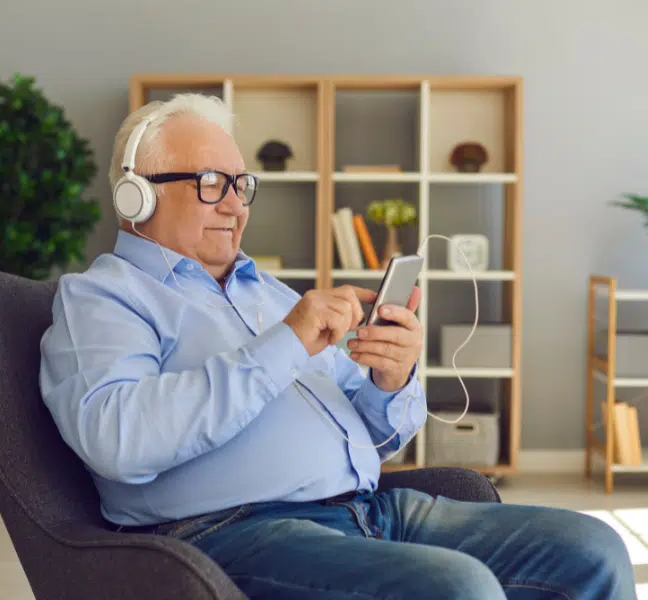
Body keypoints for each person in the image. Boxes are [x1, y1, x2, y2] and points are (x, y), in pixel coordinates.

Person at [39, 93, 636, 600]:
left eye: (241, 184)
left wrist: (389, 381)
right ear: (136, 197)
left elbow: (376, 432)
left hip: (371, 511)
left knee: (592, 549)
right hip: (231, 532)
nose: (234, 204)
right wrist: (287, 342)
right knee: (457, 589)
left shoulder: (267, 292)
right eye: (210, 183)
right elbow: (116, 440)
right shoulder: (104, 297)